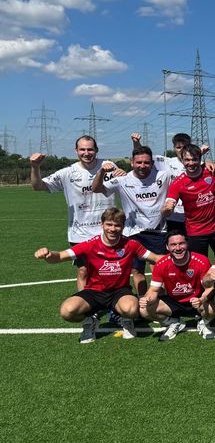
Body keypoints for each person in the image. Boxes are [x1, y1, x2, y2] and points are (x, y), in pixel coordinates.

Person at [34, 207, 162, 343]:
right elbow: (59, 256)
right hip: (94, 292)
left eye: (117, 225)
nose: (112, 229)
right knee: (67, 311)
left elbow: (155, 258)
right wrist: (48, 254)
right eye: (109, 224)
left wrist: (183, 258)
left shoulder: (131, 244)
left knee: (131, 309)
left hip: (120, 291)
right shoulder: (90, 244)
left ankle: (126, 320)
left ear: (123, 227)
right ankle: (89, 321)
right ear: (102, 225)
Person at [30, 135, 121, 290]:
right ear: (76, 151)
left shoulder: (109, 166)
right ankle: (87, 310)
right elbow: (38, 186)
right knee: (83, 271)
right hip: (80, 233)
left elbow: (127, 182)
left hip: (108, 231)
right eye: (82, 149)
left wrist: (122, 173)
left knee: (112, 270)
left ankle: (114, 307)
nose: (86, 153)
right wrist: (35, 167)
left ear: (96, 150)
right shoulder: (68, 173)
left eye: (90, 149)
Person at [93, 145, 170, 297]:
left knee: (158, 269)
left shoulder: (163, 175)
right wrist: (101, 171)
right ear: (131, 163)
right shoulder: (122, 180)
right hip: (133, 233)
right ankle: (143, 301)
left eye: (146, 162)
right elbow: (96, 189)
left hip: (157, 232)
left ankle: (160, 301)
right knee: (136, 270)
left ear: (152, 163)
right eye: (138, 162)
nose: (142, 166)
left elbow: (185, 170)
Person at [138, 230, 215, 341]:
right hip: (173, 302)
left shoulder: (202, 260)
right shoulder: (161, 264)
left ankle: (203, 322)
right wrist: (146, 299)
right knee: (144, 309)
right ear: (167, 247)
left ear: (187, 244)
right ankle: (174, 323)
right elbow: (153, 290)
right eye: (173, 245)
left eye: (181, 243)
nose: (178, 248)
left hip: (197, 301)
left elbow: (210, 288)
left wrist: (202, 299)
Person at [162, 144, 215, 257]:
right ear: (182, 160)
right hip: (196, 232)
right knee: (199, 267)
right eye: (187, 160)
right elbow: (166, 211)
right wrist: (166, 209)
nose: (191, 163)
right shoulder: (178, 183)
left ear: (200, 159)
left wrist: (210, 162)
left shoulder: (212, 171)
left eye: (194, 159)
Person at [133, 132, 190, 234]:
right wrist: (136, 143)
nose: (181, 150)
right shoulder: (165, 162)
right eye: (178, 147)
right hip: (172, 216)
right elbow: (143, 156)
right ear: (174, 148)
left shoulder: (197, 164)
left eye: (185, 147)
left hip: (192, 217)